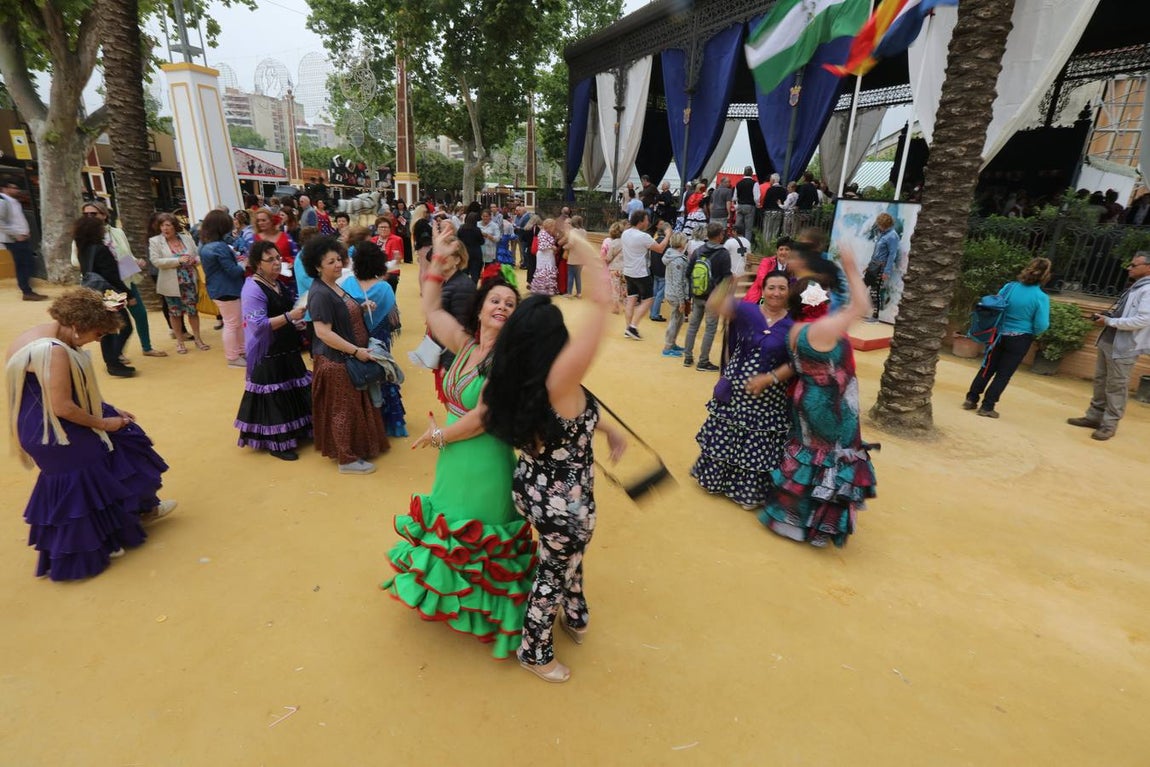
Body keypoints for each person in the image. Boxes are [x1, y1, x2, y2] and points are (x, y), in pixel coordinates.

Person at [481, 226, 627, 683]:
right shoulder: (559, 378)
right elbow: (603, 306)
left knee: (563, 554)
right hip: (564, 502)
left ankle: (576, 610)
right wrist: (587, 252)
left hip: (532, 485)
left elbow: (572, 414)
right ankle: (535, 649)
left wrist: (607, 428)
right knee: (554, 569)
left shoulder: (509, 371)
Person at [383, 225, 532, 659]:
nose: (502, 306)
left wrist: (438, 436)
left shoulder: (508, 361)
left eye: (510, 303)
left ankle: (488, 613)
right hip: (452, 456)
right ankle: (451, 599)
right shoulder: (465, 345)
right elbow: (430, 309)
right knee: (451, 526)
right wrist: (437, 260)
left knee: (480, 532)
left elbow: (484, 418)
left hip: (483, 458)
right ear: (481, 309)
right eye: (496, 301)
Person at [6, 289, 176, 580]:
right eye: (98, 334)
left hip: (40, 423)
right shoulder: (55, 352)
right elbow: (62, 406)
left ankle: (138, 510)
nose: (98, 341)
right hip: (53, 430)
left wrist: (109, 411)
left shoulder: (41, 334)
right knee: (95, 465)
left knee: (123, 441)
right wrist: (104, 423)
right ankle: (103, 539)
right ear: (78, 326)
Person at [760, 243, 877, 548]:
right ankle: (817, 527)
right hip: (830, 406)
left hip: (805, 400)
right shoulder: (824, 327)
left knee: (807, 457)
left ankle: (788, 521)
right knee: (830, 461)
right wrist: (851, 268)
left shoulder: (796, 329)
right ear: (818, 300)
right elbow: (862, 307)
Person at [691, 271, 795, 509]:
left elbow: (797, 362)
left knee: (757, 443)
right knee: (727, 436)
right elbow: (714, 304)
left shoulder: (794, 325)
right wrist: (731, 282)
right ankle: (716, 481)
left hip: (768, 401)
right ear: (763, 289)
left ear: (789, 292)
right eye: (771, 287)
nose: (776, 293)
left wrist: (769, 379)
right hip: (734, 394)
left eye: (781, 288)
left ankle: (746, 492)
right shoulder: (748, 310)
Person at [303, 235, 388, 474]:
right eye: (331, 262)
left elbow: (340, 313)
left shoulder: (334, 285)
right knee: (343, 409)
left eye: (339, 259)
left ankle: (353, 451)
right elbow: (323, 332)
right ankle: (346, 459)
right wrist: (356, 351)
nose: (338, 264)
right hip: (336, 361)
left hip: (346, 358)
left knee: (351, 406)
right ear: (318, 266)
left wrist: (360, 307)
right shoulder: (320, 292)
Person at [235, 240, 312, 461]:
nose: (277, 263)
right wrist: (290, 317)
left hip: (286, 347)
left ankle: (298, 431)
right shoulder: (252, 288)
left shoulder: (277, 283)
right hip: (267, 352)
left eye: (278, 258)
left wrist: (295, 322)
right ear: (258, 264)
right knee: (274, 394)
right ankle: (276, 443)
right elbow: (258, 325)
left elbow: (285, 312)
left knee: (292, 387)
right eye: (271, 260)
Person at [1067, 252, 1150, 441]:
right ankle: (1094, 416)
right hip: (1110, 340)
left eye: (1134, 265)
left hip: (1125, 346)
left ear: (1148, 268)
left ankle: (1109, 424)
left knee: (1116, 385)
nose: (1129, 268)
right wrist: (1108, 317)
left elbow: (1144, 319)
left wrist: (1110, 322)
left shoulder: (1147, 290)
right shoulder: (1136, 287)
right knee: (1101, 380)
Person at [73, 201, 166, 359]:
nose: (89, 217)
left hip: (125, 278)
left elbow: (126, 253)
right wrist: (105, 263)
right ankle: (117, 354)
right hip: (105, 285)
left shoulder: (117, 232)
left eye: (93, 214)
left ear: (104, 215)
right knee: (116, 322)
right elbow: (76, 261)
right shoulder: (83, 235)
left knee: (140, 314)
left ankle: (146, 347)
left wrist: (135, 261)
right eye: (86, 214)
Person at [963, 258, 1052, 419]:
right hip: (1020, 339)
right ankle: (987, 407)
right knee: (1003, 374)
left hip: (997, 335)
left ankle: (971, 399)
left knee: (987, 367)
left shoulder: (1010, 287)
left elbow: (996, 305)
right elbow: (1042, 324)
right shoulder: (1040, 297)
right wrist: (1031, 330)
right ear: (1046, 276)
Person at [339, 240, 406, 437]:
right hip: (379, 337)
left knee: (359, 377)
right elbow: (392, 319)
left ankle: (364, 423)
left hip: (355, 338)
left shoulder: (347, 284)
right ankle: (389, 422)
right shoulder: (384, 288)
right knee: (383, 374)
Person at [74, 215, 136, 377]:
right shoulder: (101, 249)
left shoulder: (84, 250)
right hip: (109, 292)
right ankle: (114, 361)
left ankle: (112, 361)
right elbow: (112, 276)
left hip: (94, 292)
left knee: (108, 328)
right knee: (124, 326)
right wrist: (128, 294)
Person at [149, 213, 209, 355]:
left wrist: (194, 260)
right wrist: (178, 261)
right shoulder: (155, 241)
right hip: (171, 283)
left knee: (193, 311)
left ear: (174, 226)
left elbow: (197, 255)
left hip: (189, 280)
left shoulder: (187, 239)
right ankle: (180, 342)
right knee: (175, 312)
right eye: (162, 225)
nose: (165, 228)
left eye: (168, 225)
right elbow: (156, 261)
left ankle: (198, 339)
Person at [199, 209, 248, 368]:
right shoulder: (220, 246)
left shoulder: (205, 245)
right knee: (233, 323)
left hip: (218, 288)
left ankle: (240, 351)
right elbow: (233, 271)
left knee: (235, 322)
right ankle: (233, 356)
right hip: (228, 289)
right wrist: (243, 264)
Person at [682, 223, 732, 371]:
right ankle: (703, 361)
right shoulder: (723, 254)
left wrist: (693, 290)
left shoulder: (698, 251)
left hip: (697, 295)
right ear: (719, 236)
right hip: (713, 297)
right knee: (710, 329)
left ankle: (687, 357)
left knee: (692, 326)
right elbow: (726, 278)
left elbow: (688, 273)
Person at [620, 210, 671, 340]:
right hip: (641, 272)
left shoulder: (625, 233)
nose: (648, 222)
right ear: (641, 221)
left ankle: (628, 328)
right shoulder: (643, 236)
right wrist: (668, 235)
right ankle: (633, 327)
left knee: (631, 299)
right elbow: (660, 249)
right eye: (646, 219)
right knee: (648, 299)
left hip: (628, 271)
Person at [0, 178, 47, 301]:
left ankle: (27, 289)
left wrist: (25, 232)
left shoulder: (14, 202)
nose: (16, 190)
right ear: (5, 188)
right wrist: (16, 235)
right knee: (24, 264)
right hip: (14, 240)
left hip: (21, 237)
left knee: (28, 263)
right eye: (13, 187)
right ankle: (26, 291)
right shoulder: (2, 201)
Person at [863, 213, 901, 321]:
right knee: (862, 286)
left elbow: (892, 254)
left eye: (880, 224)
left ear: (885, 224)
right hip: (873, 265)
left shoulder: (892, 236)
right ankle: (855, 310)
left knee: (875, 291)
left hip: (880, 267)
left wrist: (886, 271)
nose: (878, 226)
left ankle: (875, 316)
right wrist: (869, 265)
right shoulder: (882, 234)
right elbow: (877, 251)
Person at [660, 232, 690, 357]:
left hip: (671, 292)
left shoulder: (671, 255)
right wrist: (682, 301)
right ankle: (668, 346)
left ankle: (672, 343)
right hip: (676, 295)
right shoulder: (678, 260)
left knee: (679, 319)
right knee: (675, 319)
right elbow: (678, 282)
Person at [745, 237, 794, 304]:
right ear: (777, 251)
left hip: (783, 298)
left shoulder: (794, 266)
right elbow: (761, 279)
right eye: (781, 249)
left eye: (787, 249)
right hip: (762, 296)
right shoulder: (767, 262)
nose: (783, 252)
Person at [529, 218, 560, 296]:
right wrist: (552, 247)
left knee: (549, 271)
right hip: (544, 255)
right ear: (549, 226)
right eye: (553, 226)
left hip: (548, 255)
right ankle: (542, 290)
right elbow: (542, 246)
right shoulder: (542, 233)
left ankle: (548, 290)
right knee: (544, 271)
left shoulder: (547, 233)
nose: (554, 228)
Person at [457, 212, 484, 284]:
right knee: (475, 273)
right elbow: (482, 241)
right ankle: (473, 288)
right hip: (475, 253)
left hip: (464, 252)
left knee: (464, 272)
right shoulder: (477, 230)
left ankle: (464, 288)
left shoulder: (461, 228)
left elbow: (458, 239)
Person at [734, 166, 758, 238]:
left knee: (738, 227)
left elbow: (735, 197)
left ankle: (737, 243)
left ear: (744, 173)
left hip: (740, 206)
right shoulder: (754, 183)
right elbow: (756, 197)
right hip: (750, 206)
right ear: (752, 173)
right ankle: (746, 245)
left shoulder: (738, 183)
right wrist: (757, 204)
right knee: (748, 229)